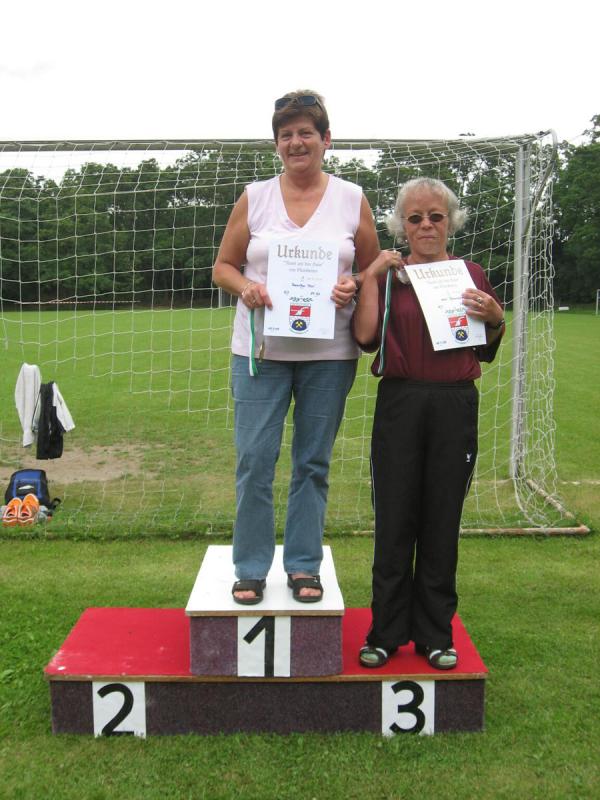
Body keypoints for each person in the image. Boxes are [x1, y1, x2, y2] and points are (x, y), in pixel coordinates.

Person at [212, 90, 379, 605]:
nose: (296, 142)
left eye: (306, 132)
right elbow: (223, 266)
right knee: (254, 461)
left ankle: (304, 565)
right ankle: (250, 567)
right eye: (286, 134)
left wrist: (353, 284)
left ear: (326, 140)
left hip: (329, 356)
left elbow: (371, 268)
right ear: (277, 144)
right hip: (260, 354)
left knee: (312, 464)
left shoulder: (351, 198)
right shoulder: (255, 197)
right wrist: (247, 287)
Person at [352, 177, 505, 669]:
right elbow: (366, 338)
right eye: (415, 217)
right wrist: (371, 277)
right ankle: (385, 632)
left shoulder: (471, 274)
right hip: (400, 401)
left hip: (454, 403)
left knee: (441, 519)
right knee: (394, 518)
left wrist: (496, 318)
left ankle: (436, 633)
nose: (425, 225)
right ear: (401, 224)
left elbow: (485, 345)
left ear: (450, 222)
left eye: (435, 216)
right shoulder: (390, 275)